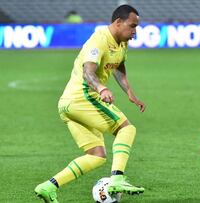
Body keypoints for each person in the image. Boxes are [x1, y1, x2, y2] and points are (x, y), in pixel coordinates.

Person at [35, 5, 145, 203]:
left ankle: (48, 186)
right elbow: (88, 72)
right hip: (82, 98)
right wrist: (102, 88)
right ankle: (117, 179)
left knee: (96, 155)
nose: (135, 31)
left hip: (68, 105)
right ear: (118, 23)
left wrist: (130, 92)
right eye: (132, 26)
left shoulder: (121, 43)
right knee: (126, 129)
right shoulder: (99, 39)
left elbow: (119, 66)